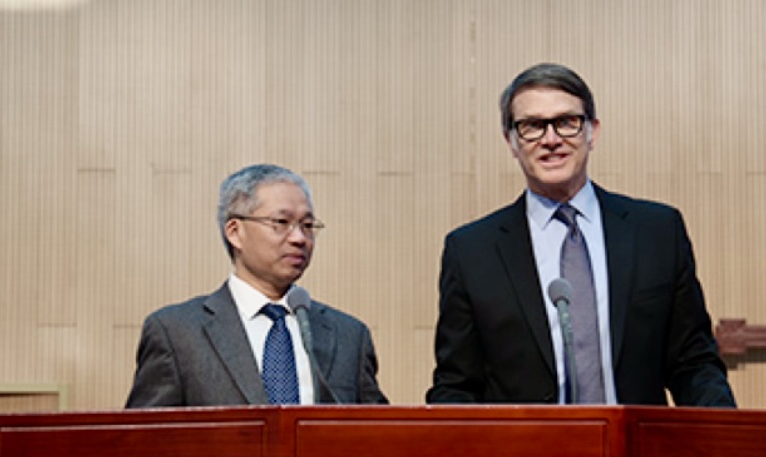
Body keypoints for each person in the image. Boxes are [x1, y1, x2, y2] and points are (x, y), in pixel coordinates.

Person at [426, 63, 735, 408]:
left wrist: (723, 444)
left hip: (636, 452)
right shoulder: (472, 251)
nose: (551, 139)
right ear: (511, 141)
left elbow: (693, 362)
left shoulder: (656, 232)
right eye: (531, 126)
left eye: (566, 122)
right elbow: (456, 385)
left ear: (593, 131)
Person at [127, 164, 388, 407]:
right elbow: (144, 443)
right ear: (235, 232)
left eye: (307, 225)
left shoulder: (349, 336)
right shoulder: (177, 333)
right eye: (281, 223)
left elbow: (378, 437)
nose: (299, 238)